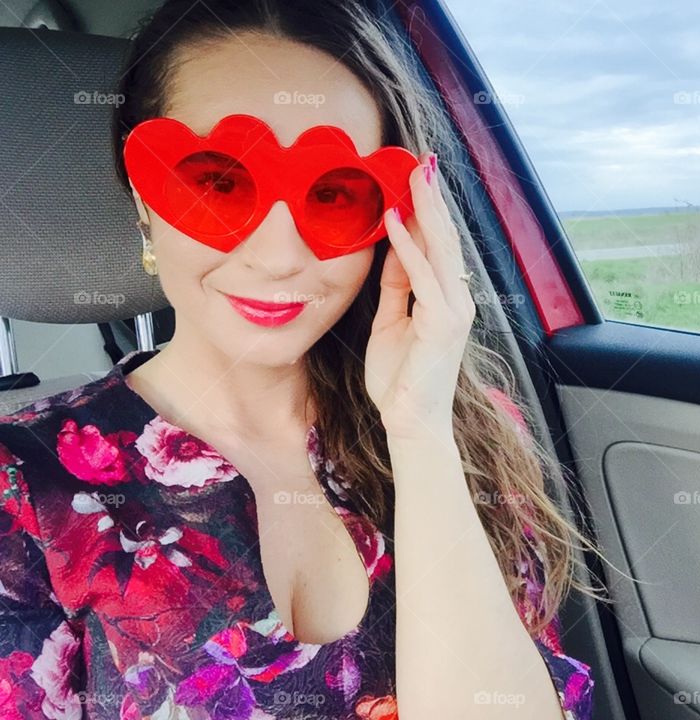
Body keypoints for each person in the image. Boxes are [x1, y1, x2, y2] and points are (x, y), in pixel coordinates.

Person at [0, 1, 606, 717]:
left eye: (334, 193)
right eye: (219, 181)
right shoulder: (23, 492)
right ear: (143, 195)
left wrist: (418, 434)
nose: (283, 257)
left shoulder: (468, 433)